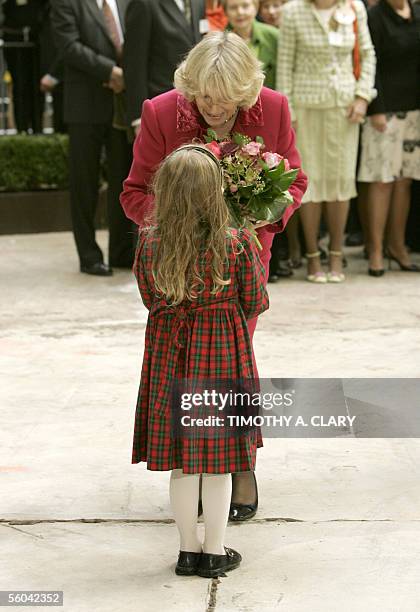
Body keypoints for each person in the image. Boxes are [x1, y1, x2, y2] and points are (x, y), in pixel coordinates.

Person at [121, 31, 307, 520]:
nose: (214, 110)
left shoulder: (273, 107)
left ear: (247, 94)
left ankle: (238, 465)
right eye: (203, 98)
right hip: (181, 269)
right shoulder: (161, 112)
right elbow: (134, 191)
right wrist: (177, 221)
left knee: (231, 364)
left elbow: (294, 179)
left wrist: (255, 220)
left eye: (226, 102)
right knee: (186, 368)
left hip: (243, 261)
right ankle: (196, 466)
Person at [132, 144, 269, 577]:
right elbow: (254, 300)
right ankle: (215, 550)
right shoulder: (237, 241)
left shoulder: (151, 241)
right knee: (219, 462)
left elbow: (150, 299)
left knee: (182, 463)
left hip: (169, 353)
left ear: (165, 192)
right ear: (216, 191)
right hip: (222, 354)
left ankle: (187, 551)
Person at [277, 0, 376, 283]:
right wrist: (289, 112)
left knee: (340, 181)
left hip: (344, 108)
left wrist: (362, 96)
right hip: (305, 110)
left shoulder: (354, 7)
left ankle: (336, 252)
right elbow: (285, 64)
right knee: (311, 182)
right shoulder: (293, 11)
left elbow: (367, 55)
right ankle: (312, 256)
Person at [51, 0, 135, 276]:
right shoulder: (67, 3)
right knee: (84, 182)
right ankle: (88, 255)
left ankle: (121, 252)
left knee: (123, 178)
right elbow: (68, 46)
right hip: (85, 105)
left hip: (121, 103)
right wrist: (109, 71)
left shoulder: (126, 3)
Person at [357, 0, 420, 276]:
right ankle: (376, 250)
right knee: (381, 181)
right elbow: (370, 65)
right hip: (383, 111)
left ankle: (398, 246)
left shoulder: (417, 12)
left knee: (404, 181)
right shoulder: (374, 16)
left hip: (414, 109)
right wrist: (376, 108)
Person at [123, 0, 206, 137]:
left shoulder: (198, 2)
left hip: (196, 108)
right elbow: (134, 64)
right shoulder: (143, 4)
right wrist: (138, 118)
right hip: (160, 107)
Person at [221, 0, 278, 89]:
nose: (240, 12)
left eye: (245, 6)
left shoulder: (274, 36)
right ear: (226, 12)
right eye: (233, 7)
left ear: (255, 8)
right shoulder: (219, 42)